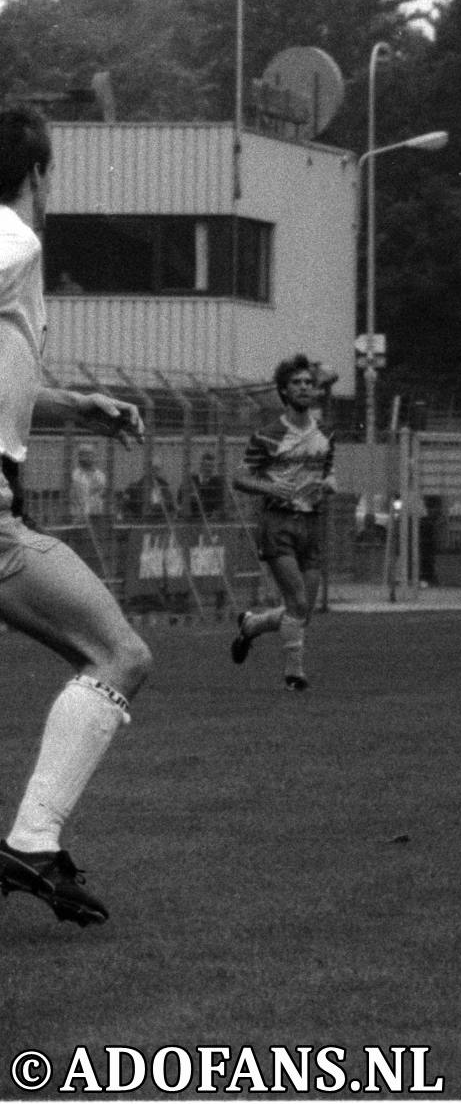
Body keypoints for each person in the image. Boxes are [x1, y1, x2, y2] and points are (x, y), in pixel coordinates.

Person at [0, 102, 153, 926]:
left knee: (108, 652)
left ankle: (34, 845)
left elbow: (8, 383)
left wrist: (77, 401)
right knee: (120, 653)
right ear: (38, 174)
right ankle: (31, 842)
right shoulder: (14, 238)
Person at [229, 354, 338, 691]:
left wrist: (330, 482)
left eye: (308, 382)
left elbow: (328, 469)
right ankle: (295, 675)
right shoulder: (269, 435)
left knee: (301, 610)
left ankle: (251, 626)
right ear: (284, 392)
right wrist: (271, 487)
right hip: (278, 523)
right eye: (297, 383)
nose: (305, 387)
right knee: (298, 603)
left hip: (312, 523)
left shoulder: (325, 433)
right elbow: (239, 478)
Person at [66, 443, 107, 525]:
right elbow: (77, 495)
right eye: (84, 454)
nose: (87, 457)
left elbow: (101, 492)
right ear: (79, 457)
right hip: (79, 515)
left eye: (90, 454)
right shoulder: (76, 475)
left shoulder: (100, 475)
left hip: (97, 513)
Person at [185, 451, 227, 520]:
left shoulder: (217, 482)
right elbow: (180, 498)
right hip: (192, 518)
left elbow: (220, 503)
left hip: (210, 519)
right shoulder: (191, 480)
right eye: (207, 466)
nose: (209, 469)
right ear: (201, 466)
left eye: (211, 466)